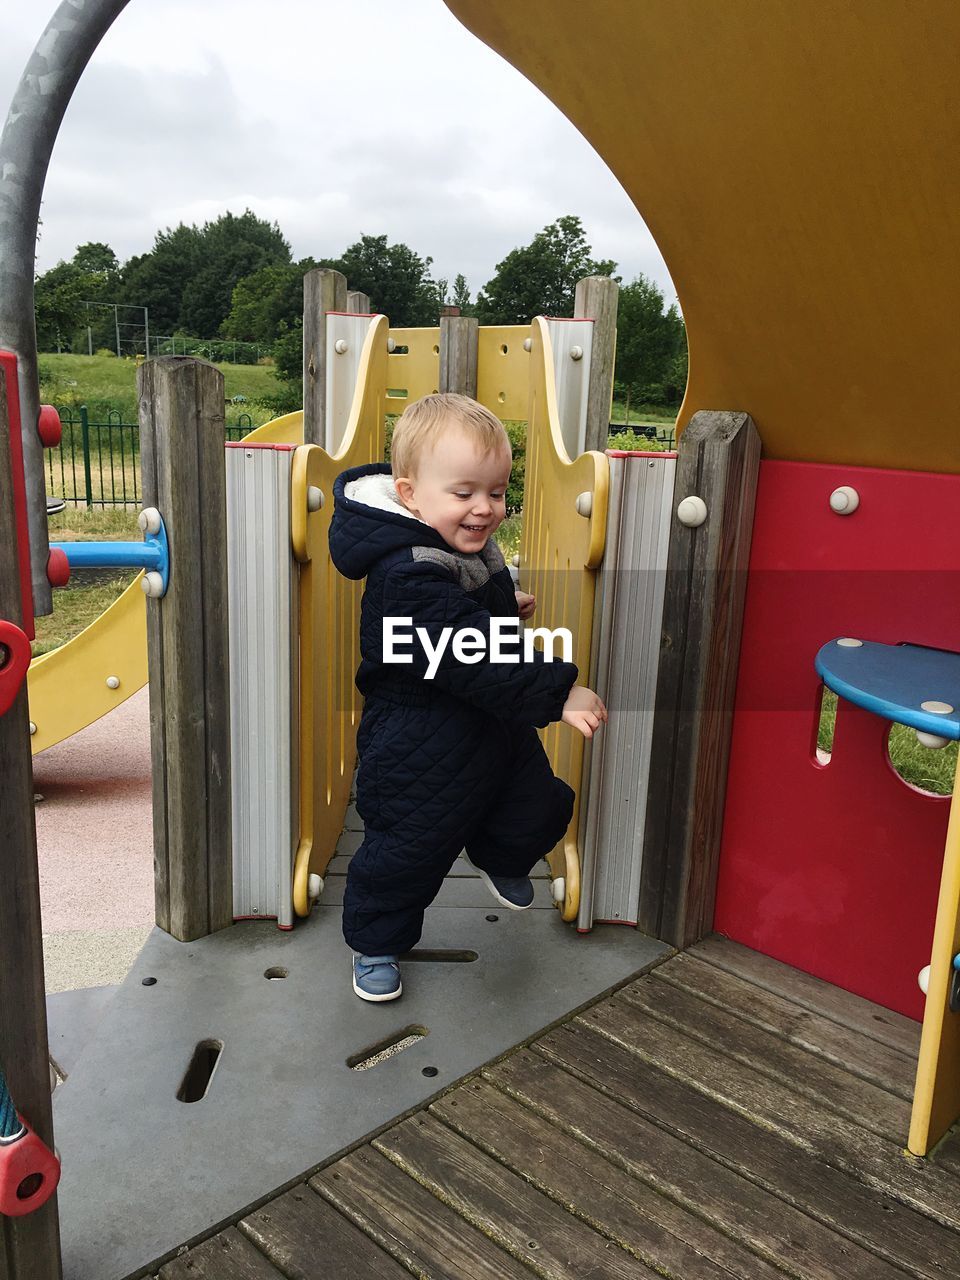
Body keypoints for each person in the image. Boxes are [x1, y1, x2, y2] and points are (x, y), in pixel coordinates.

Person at [328, 392, 607, 1002]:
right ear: (410, 495)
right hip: (418, 737)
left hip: (489, 723)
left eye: (498, 492)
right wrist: (556, 691)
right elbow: (460, 645)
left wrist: (505, 606)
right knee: (407, 848)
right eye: (465, 494)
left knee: (538, 802)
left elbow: (470, 613)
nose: (485, 509)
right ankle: (375, 943)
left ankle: (499, 853)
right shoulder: (403, 570)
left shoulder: (455, 540)